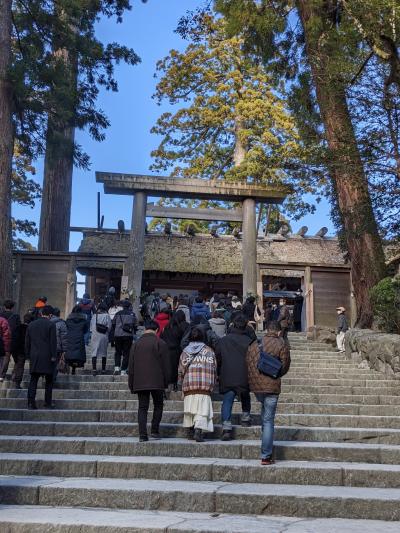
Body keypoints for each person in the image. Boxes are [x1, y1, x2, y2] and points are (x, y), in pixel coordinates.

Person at [246, 320, 291, 465]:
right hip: (272, 386)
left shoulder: (255, 344)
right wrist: (275, 374)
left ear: (266, 330)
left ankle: (266, 447)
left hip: (257, 387)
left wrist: (255, 380)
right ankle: (266, 455)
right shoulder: (282, 344)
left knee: (264, 417)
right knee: (268, 419)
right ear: (278, 331)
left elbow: (249, 362)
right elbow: (285, 365)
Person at [128, 320, 170, 442]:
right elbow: (166, 365)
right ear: (157, 330)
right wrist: (166, 382)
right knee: (158, 405)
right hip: (157, 381)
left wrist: (131, 384)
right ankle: (155, 430)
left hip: (140, 381)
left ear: (145, 329)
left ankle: (142, 435)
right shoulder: (160, 343)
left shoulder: (136, 344)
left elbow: (131, 366)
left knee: (142, 407)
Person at [215, 314, 255, 440]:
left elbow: (218, 358)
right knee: (245, 395)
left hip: (228, 374)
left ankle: (226, 427)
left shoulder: (223, 340)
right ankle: (246, 418)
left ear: (232, 325)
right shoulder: (249, 342)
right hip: (244, 374)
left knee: (227, 400)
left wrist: (218, 372)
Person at [178, 327, 217, 443]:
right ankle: (198, 430)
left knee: (190, 409)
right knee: (202, 410)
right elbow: (214, 368)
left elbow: (181, 370)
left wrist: (181, 386)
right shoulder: (209, 351)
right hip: (205, 385)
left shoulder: (185, 351)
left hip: (189, 385)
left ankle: (190, 429)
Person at [25, 305, 57, 409]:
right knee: (49, 381)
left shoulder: (31, 325)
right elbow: (53, 342)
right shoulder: (51, 325)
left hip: (34, 356)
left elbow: (27, 342)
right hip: (47, 356)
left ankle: (30, 402)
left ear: (41, 313)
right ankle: (47, 402)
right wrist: (54, 356)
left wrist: (28, 355)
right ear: (50, 315)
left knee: (33, 380)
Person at [160, 310, 189, 390]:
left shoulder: (167, 327)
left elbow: (162, 338)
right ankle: (175, 385)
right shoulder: (180, 328)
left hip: (166, 349)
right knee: (175, 368)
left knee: (167, 368)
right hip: (176, 350)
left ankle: (165, 387)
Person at [112, 300, 137, 375]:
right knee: (126, 353)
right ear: (129, 306)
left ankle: (117, 367)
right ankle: (123, 370)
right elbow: (135, 325)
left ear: (122, 307)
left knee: (118, 352)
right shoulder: (132, 314)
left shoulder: (117, 314)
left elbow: (113, 324)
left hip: (118, 335)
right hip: (128, 336)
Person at [0, 300, 22, 382]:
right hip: (10, 340)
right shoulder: (15, 316)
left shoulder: (0, 315)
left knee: (3, 358)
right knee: (8, 357)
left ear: (4, 306)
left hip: (1, 339)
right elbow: (18, 328)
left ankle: (2, 374)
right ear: (12, 307)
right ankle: (6, 375)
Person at [65, 305, 89, 375]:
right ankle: (74, 368)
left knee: (70, 352)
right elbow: (85, 330)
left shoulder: (69, 318)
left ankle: (70, 367)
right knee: (78, 354)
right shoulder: (83, 319)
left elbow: (67, 327)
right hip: (79, 337)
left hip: (70, 337)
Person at [90, 303, 112, 376]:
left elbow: (91, 327)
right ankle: (103, 369)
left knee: (94, 352)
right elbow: (109, 327)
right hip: (103, 335)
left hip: (95, 335)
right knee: (103, 352)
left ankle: (94, 369)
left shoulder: (94, 315)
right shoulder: (107, 316)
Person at [50, 307, 67, 380]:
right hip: (57, 347)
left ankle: (48, 377)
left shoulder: (48, 321)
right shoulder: (62, 323)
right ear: (59, 314)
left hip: (48, 347)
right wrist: (65, 349)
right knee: (55, 364)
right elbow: (64, 337)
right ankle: (53, 378)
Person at [0, 314, 12, 383]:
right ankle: (1, 375)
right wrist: (6, 347)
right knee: (1, 360)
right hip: (1, 344)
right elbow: (6, 335)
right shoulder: (3, 320)